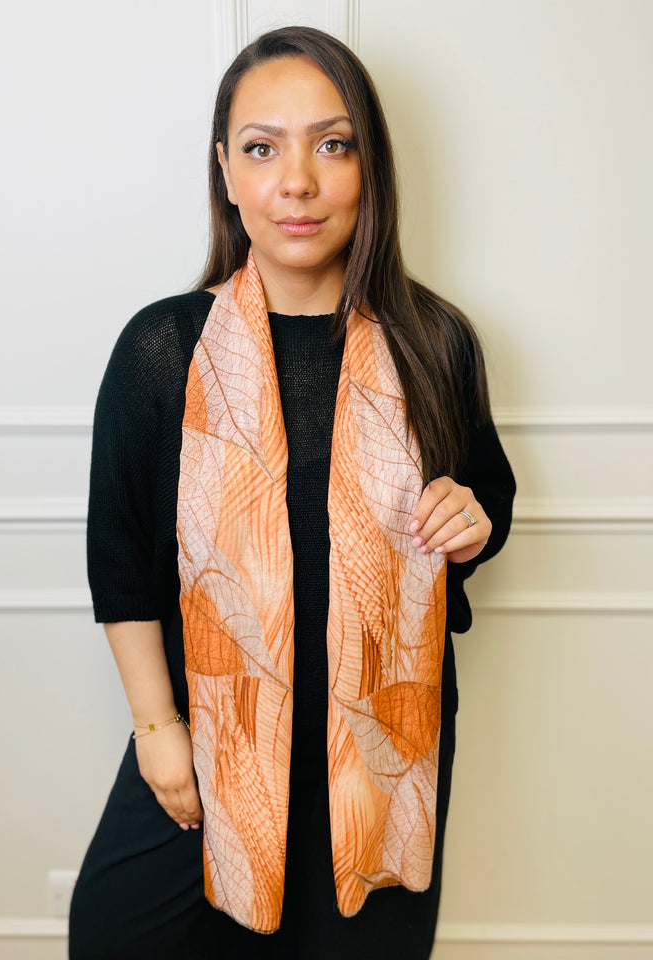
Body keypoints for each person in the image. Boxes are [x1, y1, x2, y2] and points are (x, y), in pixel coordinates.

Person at [68, 24, 516, 960]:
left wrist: (471, 520)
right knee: (116, 938)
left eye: (333, 144)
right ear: (227, 173)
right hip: (209, 738)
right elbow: (121, 557)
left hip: (383, 758)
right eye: (263, 148)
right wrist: (156, 729)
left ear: (369, 167)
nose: (298, 182)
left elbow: (485, 504)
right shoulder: (165, 348)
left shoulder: (435, 341)